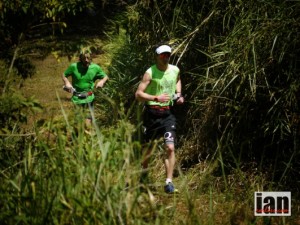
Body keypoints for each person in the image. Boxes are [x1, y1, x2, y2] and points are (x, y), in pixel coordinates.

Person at [135, 44, 184, 193]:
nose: (165, 57)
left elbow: (177, 80)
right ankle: (143, 176)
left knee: (170, 147)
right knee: (148, 150)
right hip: (151, 115)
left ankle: (169, 182)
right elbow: (138, 94)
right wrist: (156, 97)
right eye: (162, 55)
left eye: (168, 54)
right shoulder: (150, 72)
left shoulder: (175, 70)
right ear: (156, 56)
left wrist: (179, 94)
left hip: (168, 115)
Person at [62, 48, 109, 126]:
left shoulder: (95, 68)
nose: (86, 60)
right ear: (80, 58)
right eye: (84, 58)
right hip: (77, 99)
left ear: (91, 57)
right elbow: (64, 75)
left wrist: (102, 81)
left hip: (89, 98)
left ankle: (88, 133)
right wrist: (67, 83)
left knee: (88, 123)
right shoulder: (74, 67)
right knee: (78, 123)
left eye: (88, 58)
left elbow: (105, 76)